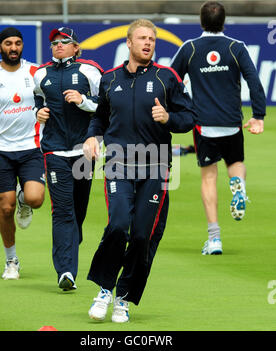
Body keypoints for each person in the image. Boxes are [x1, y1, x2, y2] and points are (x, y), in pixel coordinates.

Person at [83, 19, 197, 323]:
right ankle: (105, 289)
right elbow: (100, 119)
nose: (148, 43)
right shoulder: (109, 80)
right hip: (118, 163)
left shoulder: (167, 78)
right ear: (129, 42)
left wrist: (168, 118)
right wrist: (92, 137)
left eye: (152, 39)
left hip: (156, 166)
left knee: (143, 236)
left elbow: (188, 119)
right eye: (143, 38)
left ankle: (123, 296)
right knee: (119, 225)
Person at [170, 1, 266, 255]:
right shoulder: (236, 47)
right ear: (223, 21)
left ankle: (214, 239)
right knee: (236, 164)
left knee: (209, 178)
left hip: (203, 125)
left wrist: (179, 107)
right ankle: (238, 185)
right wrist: (258, 116)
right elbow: (254, 82)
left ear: (201, 21)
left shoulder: (190, 49)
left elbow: (169, 80)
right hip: (232, 123)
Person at [34, 27, 103, 291]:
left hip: (83, 151)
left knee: (78, 211)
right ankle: (66, 271)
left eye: (64, 42)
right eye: (54, 43)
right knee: (62, 212)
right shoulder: (41, 74)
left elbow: (105, 103)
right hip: (54, 151)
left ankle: (71, 242)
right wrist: (39, 112)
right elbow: (37, 101)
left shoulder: (90, 70)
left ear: (76, 47)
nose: (58, 46)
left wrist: (83, 100)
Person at [0, 27, 45, 280]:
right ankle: (11, 260)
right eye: (8, 43)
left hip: (32, 147)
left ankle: (25, 199)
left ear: (22, 46)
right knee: (6, 209)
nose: (13, 48)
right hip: (0, 149)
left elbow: (50, 101)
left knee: (36, 199)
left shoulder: (36, 72)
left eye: (17, 43)